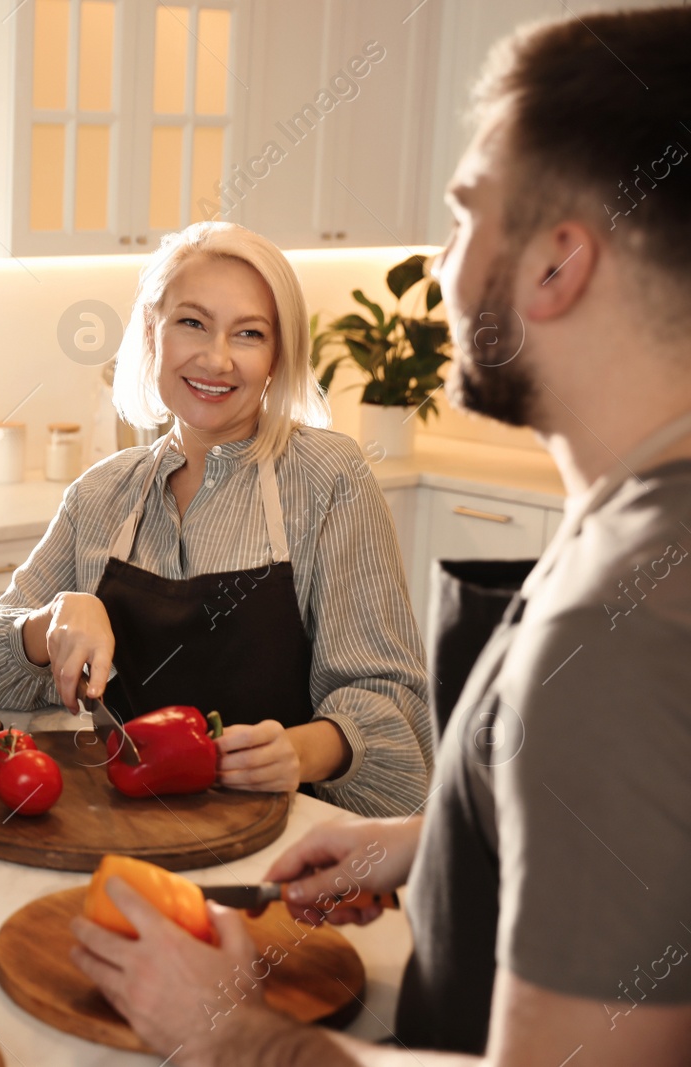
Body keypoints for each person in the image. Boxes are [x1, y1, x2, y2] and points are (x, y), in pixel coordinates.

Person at [70, 7, 691, 1063]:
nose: (441, 268)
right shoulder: (631, 539)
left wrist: (228, 1030)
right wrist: (429, 844)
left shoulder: (624, 629)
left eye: (462, 219)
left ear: (555, 264)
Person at [0, 222, 432, 818]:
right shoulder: (101, 495)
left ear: (278, 356)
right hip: (121, 823)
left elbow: (394, 707)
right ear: (152, 332)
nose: (217, 358)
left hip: (279, 838)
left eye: (250, 333)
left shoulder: (329, 479)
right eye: (192, 323)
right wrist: (45, 623)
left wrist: (302, 751)